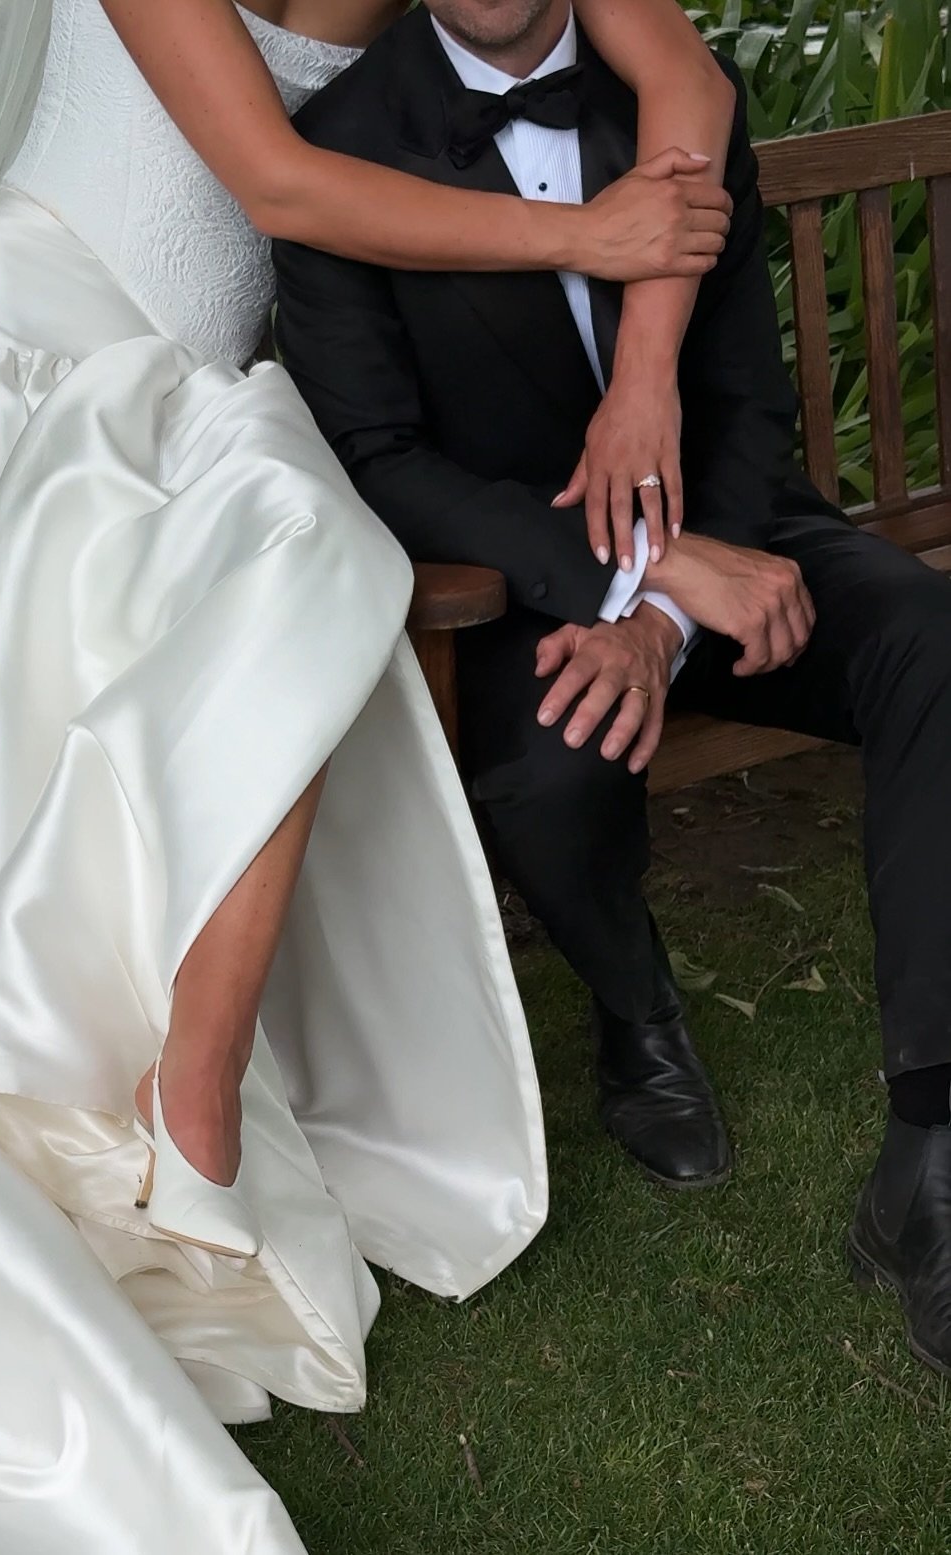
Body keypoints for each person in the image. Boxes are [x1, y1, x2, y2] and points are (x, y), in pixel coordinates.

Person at [0, 1, 737, 1549]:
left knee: (301, 558)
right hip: (42, 346)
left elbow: (677, 68)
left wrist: (647, 358)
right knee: (303, 556)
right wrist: (594, 237)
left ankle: (179, 1087)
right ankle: (145, 1094)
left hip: (201, 385)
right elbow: (271, 185)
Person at [274, 0, 951, 1384]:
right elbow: (381, 456)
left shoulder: (680, 104)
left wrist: (657, 602)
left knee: (929, 640)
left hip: (729, 531)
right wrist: (620, 590)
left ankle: (931, 1148)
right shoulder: (335, 144)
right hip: (518, 570)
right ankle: (637, 1022)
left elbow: (746, 398)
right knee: (547, 761)